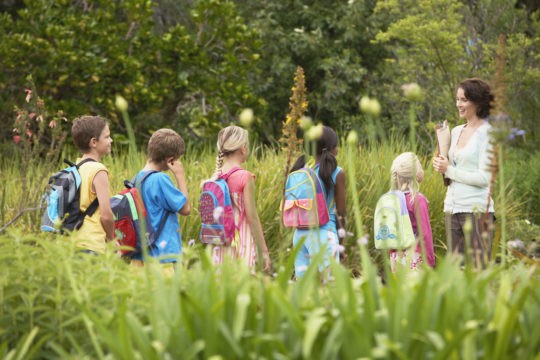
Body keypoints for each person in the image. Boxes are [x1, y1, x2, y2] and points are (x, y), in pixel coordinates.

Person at [432, 78, 495, 267]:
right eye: (457, 99)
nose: (458, 104)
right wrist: (441, 163)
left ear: (478, 102)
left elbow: (484, 178)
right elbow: (452, 168)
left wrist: (449, 170)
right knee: (455, 276)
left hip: (477, 212)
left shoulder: (488, 133)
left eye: (464, 100)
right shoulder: (456, 131)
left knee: (479, 273)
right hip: (452, 208)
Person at [208, 125, 271, 271]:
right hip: (241, 242)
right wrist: (264, 251)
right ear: (243, 148)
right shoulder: (245, 177)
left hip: (219, 243)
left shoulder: (215, 177)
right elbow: (252, 217)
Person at [130, 129, 190, 274]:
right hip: (161, 257)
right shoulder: (160, 179)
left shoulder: (136, 178)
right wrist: (180, 175)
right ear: (170, 160)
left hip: (139, 256)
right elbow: (185, 209)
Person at [290, 125, 346, 279]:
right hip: (324, 234)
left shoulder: (302, 170)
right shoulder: (337, 172)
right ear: (333, 148)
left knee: (304, 290)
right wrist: (340, 245)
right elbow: (341, 212)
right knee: (328, 290)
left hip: (299, 235)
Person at [71, 115, 114, 254]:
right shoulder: (98, 170)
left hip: (73, 241)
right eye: (107, 137)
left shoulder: (77, 167)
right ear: (94, 142)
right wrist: (113, 240)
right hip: (92, 244)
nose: (111, 140)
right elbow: (106, 215)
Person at [388, 152, 435, 271]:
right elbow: (425, 233)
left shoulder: (390, 199)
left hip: (396, 257)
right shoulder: (418, 200)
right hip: (415, 256)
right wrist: (430, 261)